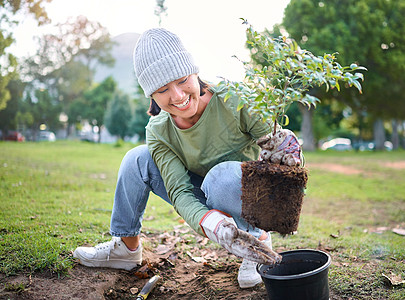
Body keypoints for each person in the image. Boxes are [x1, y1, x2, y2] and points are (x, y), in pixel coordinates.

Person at [73, 28, 292, 289]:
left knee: (220, 177)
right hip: (202, 196)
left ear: (195, 72)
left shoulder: (235, 99)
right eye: (163, 89)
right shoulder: (158, 130)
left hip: (241, 190)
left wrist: (285, 149)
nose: (177, 96)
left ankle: (258, 240)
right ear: (151, 95)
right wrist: (212, 223)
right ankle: (126, 249)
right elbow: (179, 191)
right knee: (137, 159)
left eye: (182, 80)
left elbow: (278, 158)